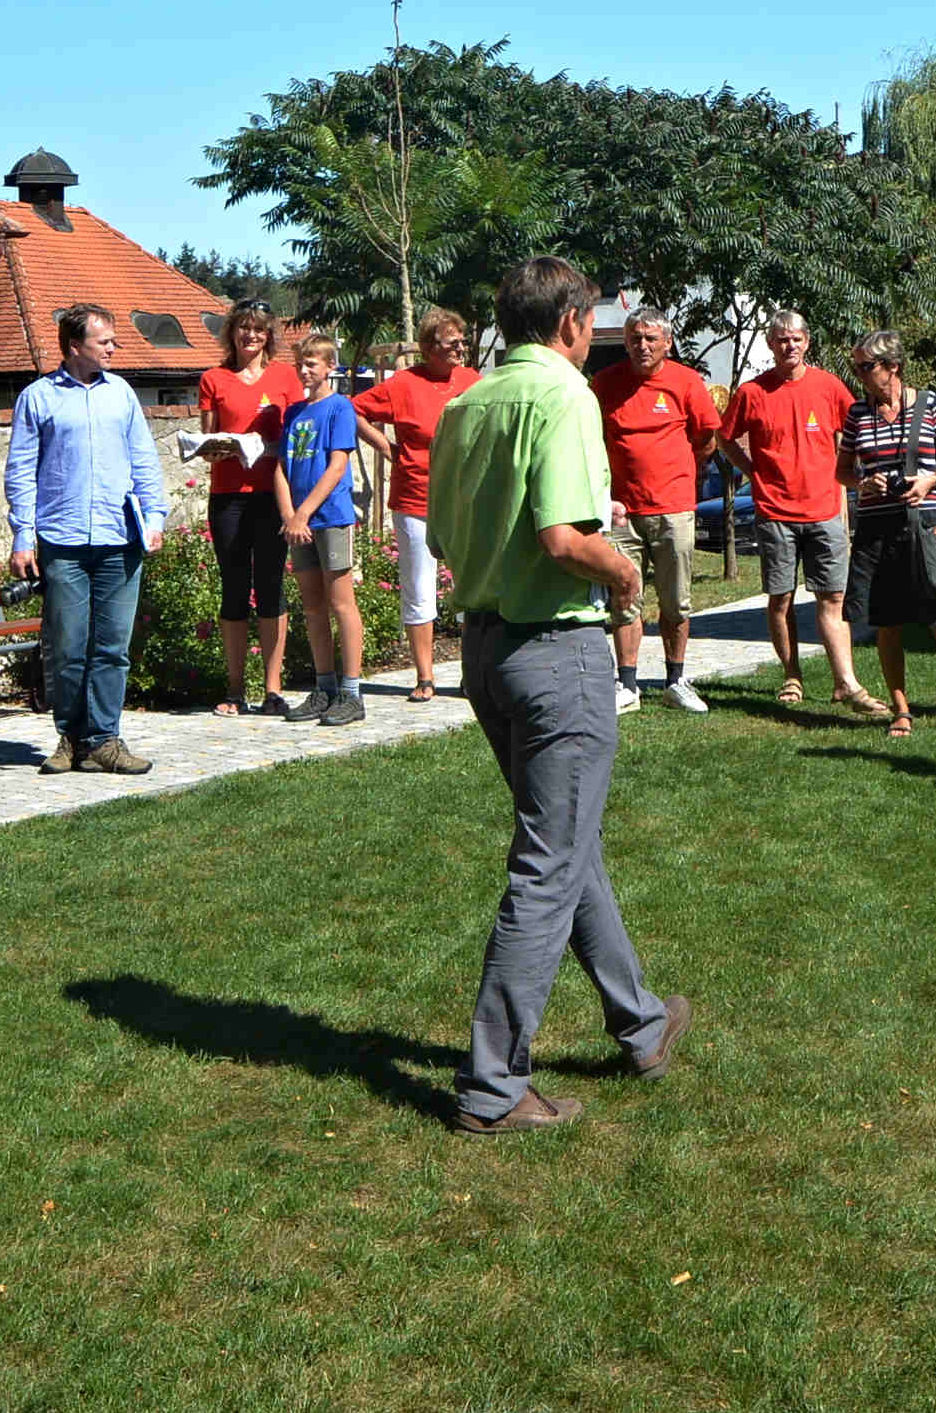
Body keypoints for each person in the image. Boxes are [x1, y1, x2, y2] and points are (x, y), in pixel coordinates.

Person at [436, 255, 690, 1133]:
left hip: (487, 651)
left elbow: (442, 535)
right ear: (573, 320)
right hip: (555, 651)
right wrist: (623, 572)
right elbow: (563, 537)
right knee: (547, 866)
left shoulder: (467, 402)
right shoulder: (566, 395)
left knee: (566, 846)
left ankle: (642, 1024)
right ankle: (492, 1088)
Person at [8, 302, 170, 776]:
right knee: (68, 646)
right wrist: (23, 536)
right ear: (75, 346)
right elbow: (21, 470)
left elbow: (144, 460)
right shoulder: (38, 398)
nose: (114, 348)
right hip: (63, 541)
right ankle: (71, 739)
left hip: (121, 539)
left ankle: (104, 740)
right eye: (105, 342)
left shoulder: (121, 395)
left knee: (112, 647)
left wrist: (155, 517)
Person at [722, 315, 883, 718]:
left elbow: (858, 428)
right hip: (775, 511)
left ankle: (845, 682)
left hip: (825, 509)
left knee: (833, 597)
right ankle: (791, 675)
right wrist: (752, 470)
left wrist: (852, 473)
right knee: (781, 598)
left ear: (807, 342)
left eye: (795, 339)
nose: (789, 346)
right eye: (781, 340)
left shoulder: (829, 386)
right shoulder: (752, 392)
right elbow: (725, 437)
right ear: (770, 344)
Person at [840, 331, 936, 736]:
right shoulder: (857, 413)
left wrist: (929, 480)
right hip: (877, 529)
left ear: (893, 366)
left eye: (866, 366)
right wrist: (863, 482)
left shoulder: (929, 404)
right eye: (856, 367)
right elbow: (842, 471)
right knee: (887, 623)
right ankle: (901, 709)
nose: (858, 374)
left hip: (927, 528)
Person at [583, 310, 722, 711]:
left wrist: (678, 475)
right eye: (635, 338)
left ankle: (676, 680)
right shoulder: (605, 383)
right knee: (624, 597)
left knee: (676, 600)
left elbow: (706, 439)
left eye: (650, 338)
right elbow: (592, 439)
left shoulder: (686, 381)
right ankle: (627, 685)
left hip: (672, 508)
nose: (642, 345)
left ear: (668, 343)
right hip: (621, 512)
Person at [358, 313, 481, 704]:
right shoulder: (403, 384)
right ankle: (425, 676)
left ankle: (472, 674)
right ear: (428, 348)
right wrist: (387, 448)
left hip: (464, 500)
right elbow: (354, 410)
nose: (460, 348)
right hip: (415, 499)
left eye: (462, 341)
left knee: (470, 589)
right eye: (451, 343)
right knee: (419, 588)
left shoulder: (472, 380)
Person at [191, 302, 303, 717]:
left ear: (268, 335)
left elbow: (296, 436)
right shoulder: (213, 378)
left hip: (273, 495)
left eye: (258, 329)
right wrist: (218, 448)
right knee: (234, 587)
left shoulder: (285, 377)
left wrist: (265, 449)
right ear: (231, 333)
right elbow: (206, 443)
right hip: (228, 496)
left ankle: (273, 689)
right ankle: (235, 689)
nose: (250, 336)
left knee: (271, 586)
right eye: (243, 328)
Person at [276, 338, 372, 726]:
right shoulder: (294, 413)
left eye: (312, 364)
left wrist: (303, 513)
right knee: (312, 605)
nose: (304, 371)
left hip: (330, 517)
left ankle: (351, 692)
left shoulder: (339, 408)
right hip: (299, 524)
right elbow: (281, 467)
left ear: (330, 366)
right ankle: (324, 686)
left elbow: (337, 467)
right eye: (300, 364)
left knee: (341, 602)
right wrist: (289, 515)